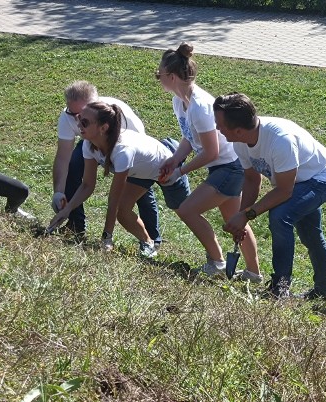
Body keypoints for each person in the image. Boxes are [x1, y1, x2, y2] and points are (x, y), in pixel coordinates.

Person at [217, 93, 326, 299]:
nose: (217, 129)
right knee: (310, 233)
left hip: (320, 177)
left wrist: (248, 215)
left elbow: (284, 191)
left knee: (280, 216)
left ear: (237, 129)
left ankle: (280, 287)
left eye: (220, 125)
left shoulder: (280, 140)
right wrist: (241, 218)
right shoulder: (240, 140)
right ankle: (323, 292)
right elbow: (252, 180)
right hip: (295, 181)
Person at [156, 43, 261, 280]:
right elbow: (189, 137)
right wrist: (174, 160)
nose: (158, 79)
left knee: (187, 210)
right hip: (223, 166)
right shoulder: (179, 102)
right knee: (235, 221)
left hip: (230, 167)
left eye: (158, 75)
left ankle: (217, 262)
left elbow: (211, 152)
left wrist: (180, 171)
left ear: (171, 76)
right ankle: (253, 273)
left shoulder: (200, 107)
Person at [48, 102, 190, 257]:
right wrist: (67, 211)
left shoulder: (122, 151)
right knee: (123, 211)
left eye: (85, 122)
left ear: (103, 128)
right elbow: (87, 185)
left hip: (168, 166)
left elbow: (113, 199)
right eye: (79, 119)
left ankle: (216, 260)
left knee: (189, 212)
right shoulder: (89, 145)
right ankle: (148, 243)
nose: (78, 125)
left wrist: (107, 237)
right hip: (139, 171)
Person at [51, 80, 161, 244]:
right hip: (92, 140)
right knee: (73, 166)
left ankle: (152, 239)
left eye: (82, 116)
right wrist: (59, 192)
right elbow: (62, 158)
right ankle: (75, 225)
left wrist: (107, 236)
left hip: (132, 151)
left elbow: (136, 160)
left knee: (138, 190)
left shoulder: (120, 118)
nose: (77, 121)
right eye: (72, 114)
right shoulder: (69, 118)